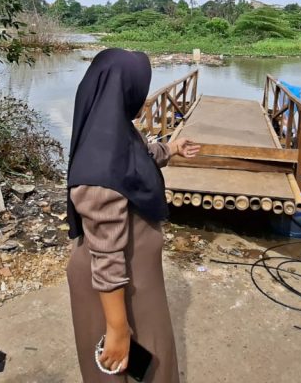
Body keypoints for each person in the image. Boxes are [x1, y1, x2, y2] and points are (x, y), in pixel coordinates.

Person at [66, 49, 200, 383]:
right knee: (118, 362)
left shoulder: (112, 129)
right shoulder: (99, 173)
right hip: (114, 282)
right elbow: (107, 254)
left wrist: (172, 148)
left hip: (135, 272)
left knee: (150, 358)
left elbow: (137, 156)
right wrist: (116, 326)